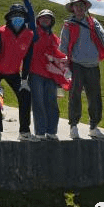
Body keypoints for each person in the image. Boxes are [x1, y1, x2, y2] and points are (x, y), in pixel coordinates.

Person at [59, 0, 104, 139]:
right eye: (76, 5)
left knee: (95, 96)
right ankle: (73, 126)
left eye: (81, 5)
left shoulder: (93, 22)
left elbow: (103, 36)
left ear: (85, 7)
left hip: (93, 64)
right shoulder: (68, 25)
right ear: (72, 8)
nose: (79, 8)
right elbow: (63, 46)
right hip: (76, 65)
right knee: (75, 96)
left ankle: (94, 127)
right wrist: (65, 66)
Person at [0, 0, 37, 142]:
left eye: (21, 15)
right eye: (14, 15)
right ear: (9, 18)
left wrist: (24, 79)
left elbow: (28, 58)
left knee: (25, 96)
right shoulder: (1, 32)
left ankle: (24, 132)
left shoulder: (29, 35)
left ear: (25, 18)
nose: (18, 18)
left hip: (14, 72)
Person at [30, 9, 67, 141]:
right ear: (38, 20)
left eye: (48, 18)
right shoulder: (33, 33)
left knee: (52, 104)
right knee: (38, 103)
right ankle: (40, 132)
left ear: (52, 21)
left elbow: (61, 55)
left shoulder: (55, 38)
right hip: (35, 73)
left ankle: (51, 131)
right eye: (42, 18)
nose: (45, 20)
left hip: (51, 75)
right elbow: (29, 15)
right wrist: (27, 2)